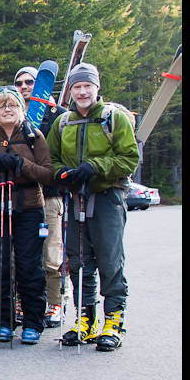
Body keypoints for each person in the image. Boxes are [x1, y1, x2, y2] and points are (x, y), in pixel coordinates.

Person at [48, 63, 139, 351]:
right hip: (76, 198)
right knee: (80, 261)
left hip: (107, 197)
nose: (83, 91)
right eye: (77, 87)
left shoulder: (114, 119)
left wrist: (95, 167)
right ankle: (85, 320)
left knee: (110, 261)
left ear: (97, 88)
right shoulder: (63, 123)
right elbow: (50, 160)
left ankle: (113, 322)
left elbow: (129, 159)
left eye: (88, 86)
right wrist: (64, 173)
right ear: (71, 91)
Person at [0, 87, 53, 343]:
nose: (7, 109)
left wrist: (22, 164)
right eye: (2, 106)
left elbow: (47, 173)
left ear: (21, 109)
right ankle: (3, 322)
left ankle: (32, 322)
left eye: (13, 105)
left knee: (30, 266)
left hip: (28, 208)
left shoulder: (33, 136)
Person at [15, 65, 70, 327]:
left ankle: (55, 302)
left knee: (51, 253)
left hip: (49, 195)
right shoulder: (12, 116)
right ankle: (22, 301)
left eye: (30, 82)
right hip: (21, 195)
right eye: (20, 83)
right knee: (22, 253)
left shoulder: (59, 116)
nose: (25, 86)